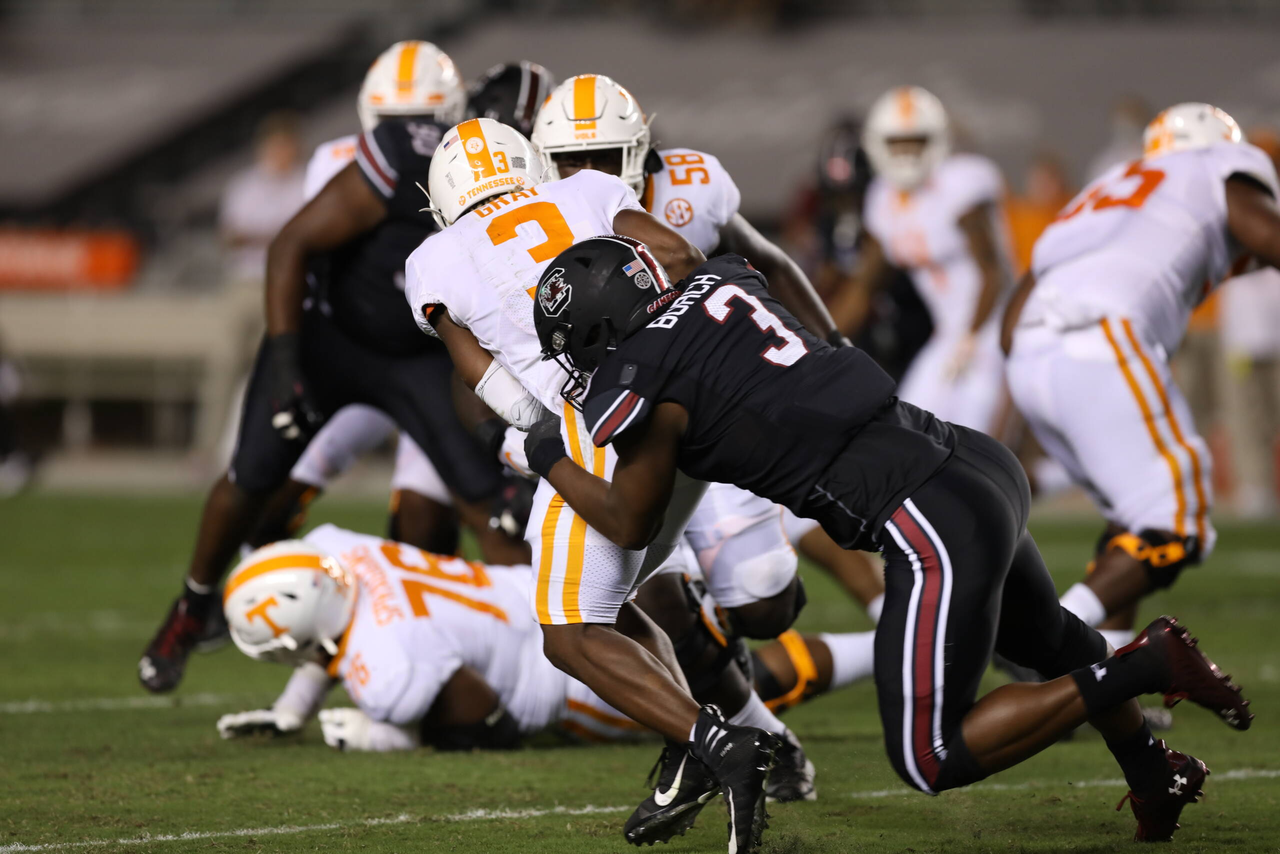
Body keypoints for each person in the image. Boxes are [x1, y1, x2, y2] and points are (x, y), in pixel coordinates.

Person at [523, 236, 1253, 842]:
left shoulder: (646, 375)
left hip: (924, 513)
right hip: (969, 460)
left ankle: (1148, 660)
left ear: (594, 330)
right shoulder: (719, 281)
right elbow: (765, 261)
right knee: (1052, 641)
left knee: (929, 755)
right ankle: (1152, 772)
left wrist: (546, 454)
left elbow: (627, 521)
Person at [408, 113, 781, 853]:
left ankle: (721, 746)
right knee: (613, 599)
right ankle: (690, 748)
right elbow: (677, 255)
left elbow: (480, 372)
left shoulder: (433, 257)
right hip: (687, 403)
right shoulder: (585, 188)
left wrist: (532, 438)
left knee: (571, 634)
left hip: (599, 421)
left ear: (445, 195)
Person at [138, 41, 518, 696]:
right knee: (254, 473)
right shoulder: (374, 160)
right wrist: (287, 357)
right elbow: (296, 244)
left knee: (489, 502)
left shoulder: (461, 157)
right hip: (335, 343)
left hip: (421, 354)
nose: (410, 132)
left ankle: (541, 649)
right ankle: (194, 605)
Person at [532, 73, 878, 738]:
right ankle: (733, 718)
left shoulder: (690, 187)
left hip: (713, 411)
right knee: (643, 597)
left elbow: (767, 260)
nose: (585, 174)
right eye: (570, 162)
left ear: (638, 152)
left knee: (766, 603)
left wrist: (828, 345)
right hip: (616, 427)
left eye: (602, 158)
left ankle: (720, 631)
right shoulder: (535, 216)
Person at [250, 61, 558, 555]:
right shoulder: (366, 164)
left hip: (455, 365)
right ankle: (247, 566)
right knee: (294, 480)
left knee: (462, 515)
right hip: (384, 345)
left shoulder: (548, 180)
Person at [1003, 103, 1280, 651]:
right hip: (1101, 335)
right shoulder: (1218, 162)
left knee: (1131, 520)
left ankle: (1103, 681)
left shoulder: (1103, 191)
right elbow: (1261, 231)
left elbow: (1011, 326)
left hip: (1029, 354)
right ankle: (1046, 635)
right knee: (1177, 522)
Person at [215, 527, 870, 752]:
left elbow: (486, 719)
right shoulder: (335, 549)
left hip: (566, 681)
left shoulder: (384, 670)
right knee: (707, 644)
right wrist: (291, 710)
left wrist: (383, 733)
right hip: (550, 590)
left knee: (732, 686)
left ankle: (884, 647)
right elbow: (336, 629)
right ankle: (878, 633)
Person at [830, 86, 1013, 438]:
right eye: (897, 143)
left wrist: (972, 337)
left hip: (991, 327)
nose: (906, 153)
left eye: (916, 141)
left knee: (974, 438)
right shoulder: (883, 200)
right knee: (905, 434)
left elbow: (994, 272)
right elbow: (864, 287)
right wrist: (820, 342)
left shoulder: (959, 185)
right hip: (949, 336)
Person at [219, 113, 306, 284]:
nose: (282, 152)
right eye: (276, 145)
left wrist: (260, 237)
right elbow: (229, 236)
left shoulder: (309, 181)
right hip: (249, 277)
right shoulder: (243, 185)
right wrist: (281, 237)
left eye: (286, 145)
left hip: (294, 278)